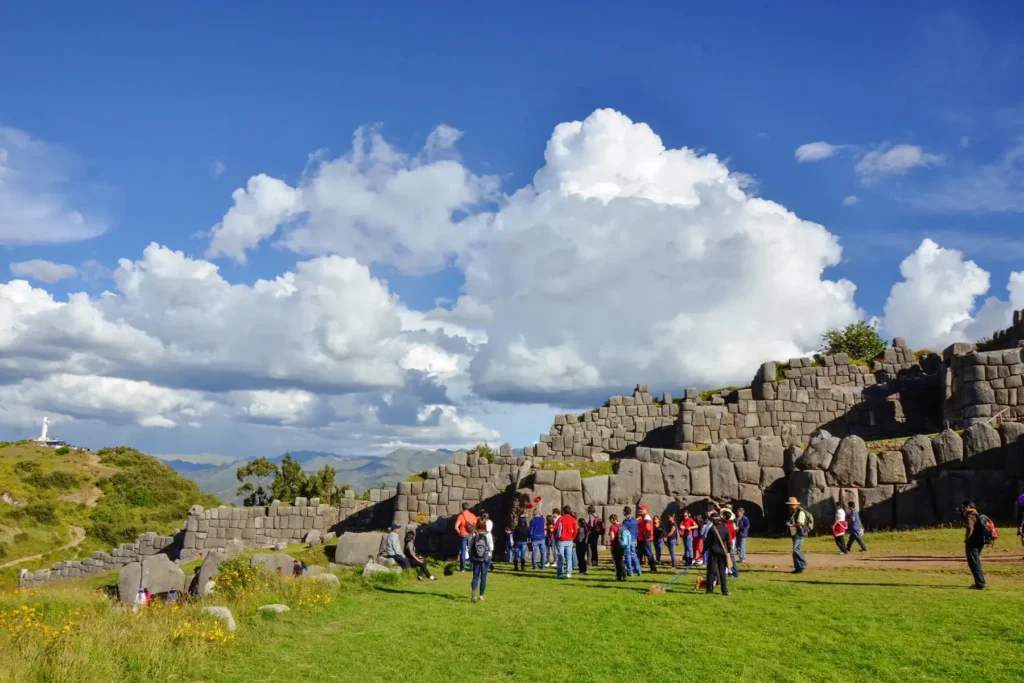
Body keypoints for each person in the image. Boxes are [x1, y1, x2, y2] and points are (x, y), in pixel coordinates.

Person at [961, 500, 987, 590]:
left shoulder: (971, 515)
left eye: (964, 507)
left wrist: (967, 538)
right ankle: (980, 582)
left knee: (974, 563)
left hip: (973, 542)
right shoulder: (977, 514)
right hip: (980, 542)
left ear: (968, 507)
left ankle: (980, 583)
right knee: (976, 562)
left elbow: (969, 527)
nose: (963, 508)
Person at [703, 512, 731, 596]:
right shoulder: (725, 529)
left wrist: (703, 551)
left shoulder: (712, 529)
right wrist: (728, 552)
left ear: (714, 520)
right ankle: (724, 591)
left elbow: (707, 542)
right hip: (723, 552)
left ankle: (709, 590)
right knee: (722, 572)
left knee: (711, 571)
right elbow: (728, 543)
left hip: (713, 552)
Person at [470, 518, 493, 602]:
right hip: (486, 558)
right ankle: (481, 595)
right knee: (484, 576)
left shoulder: (474, 534)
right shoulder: (488, 535)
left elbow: (469, 547)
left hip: (476, 558)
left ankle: (473, 594)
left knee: (475, 576)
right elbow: (491, 547)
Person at [786, 497, 810, 573]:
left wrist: (791, 525)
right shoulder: (794, 512)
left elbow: (801, 523)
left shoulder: (801, 512)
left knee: (796, 549)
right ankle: (798, 568)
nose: (790, 506)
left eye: (792, 504)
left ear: (796, 504)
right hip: (795, 532)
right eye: (790, 505)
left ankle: (803, 565)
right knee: (795, 550)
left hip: (800, 533)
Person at [554, 506, 578, 578]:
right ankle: (569, 573)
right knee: (569, 558)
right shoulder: (573, 519)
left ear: (563, 511)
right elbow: (576, 530)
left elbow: (555, 528)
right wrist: (572, 537)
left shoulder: (561, 518)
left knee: (560, 557)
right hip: (569, 540)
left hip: (561, 540)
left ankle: (560, 573)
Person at [455, 503, 478, 572]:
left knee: (463, 551)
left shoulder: (461, 516)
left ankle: (463, 568)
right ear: (468, 507)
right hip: (470, 535)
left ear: (462, 508)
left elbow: (456, 527)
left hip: (463, 535)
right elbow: (476, 526)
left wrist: (460, 533)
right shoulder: (472, 515)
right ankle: (472, 567)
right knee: (471, 551)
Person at [621, 506, 642, 576]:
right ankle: (639, 571)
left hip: (627, 540)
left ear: (625, 512)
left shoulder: (625, 521)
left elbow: (624, 531)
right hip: (633, 540)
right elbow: (636, 531)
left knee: (627, 556)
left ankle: (630, 572)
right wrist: (636, 539)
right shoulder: (634, 521)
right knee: (634, 555)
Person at [637, 505, 658, 573]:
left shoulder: (647, 517)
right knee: (639, 553)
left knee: (648, 553)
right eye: (640, 509)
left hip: (646, 538)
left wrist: (640, 526)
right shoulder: (642, 517)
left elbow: (647, 528)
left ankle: (653, 568)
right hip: (642, 538)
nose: (640, 510)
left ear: (645, 510)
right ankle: (637, 568)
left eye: (642, 509)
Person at [721, 508, 740, 578]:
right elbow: (734, 535)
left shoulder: (722, 525)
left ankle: (725, 572)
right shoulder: (731, 524)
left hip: (725, 543)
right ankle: (735, 573)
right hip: (730, 543)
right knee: (731, 558)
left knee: (724, 558)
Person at [608, 514, 626, 581]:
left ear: (612, 519)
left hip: (615, 546)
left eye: (610, 520)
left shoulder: (612, 527)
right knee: (621, 560)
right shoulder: (622, 525)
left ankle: (619, 576)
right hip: (622, 545)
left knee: (617, 562)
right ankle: (624, 574)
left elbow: (612, 538)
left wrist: (610, 534)